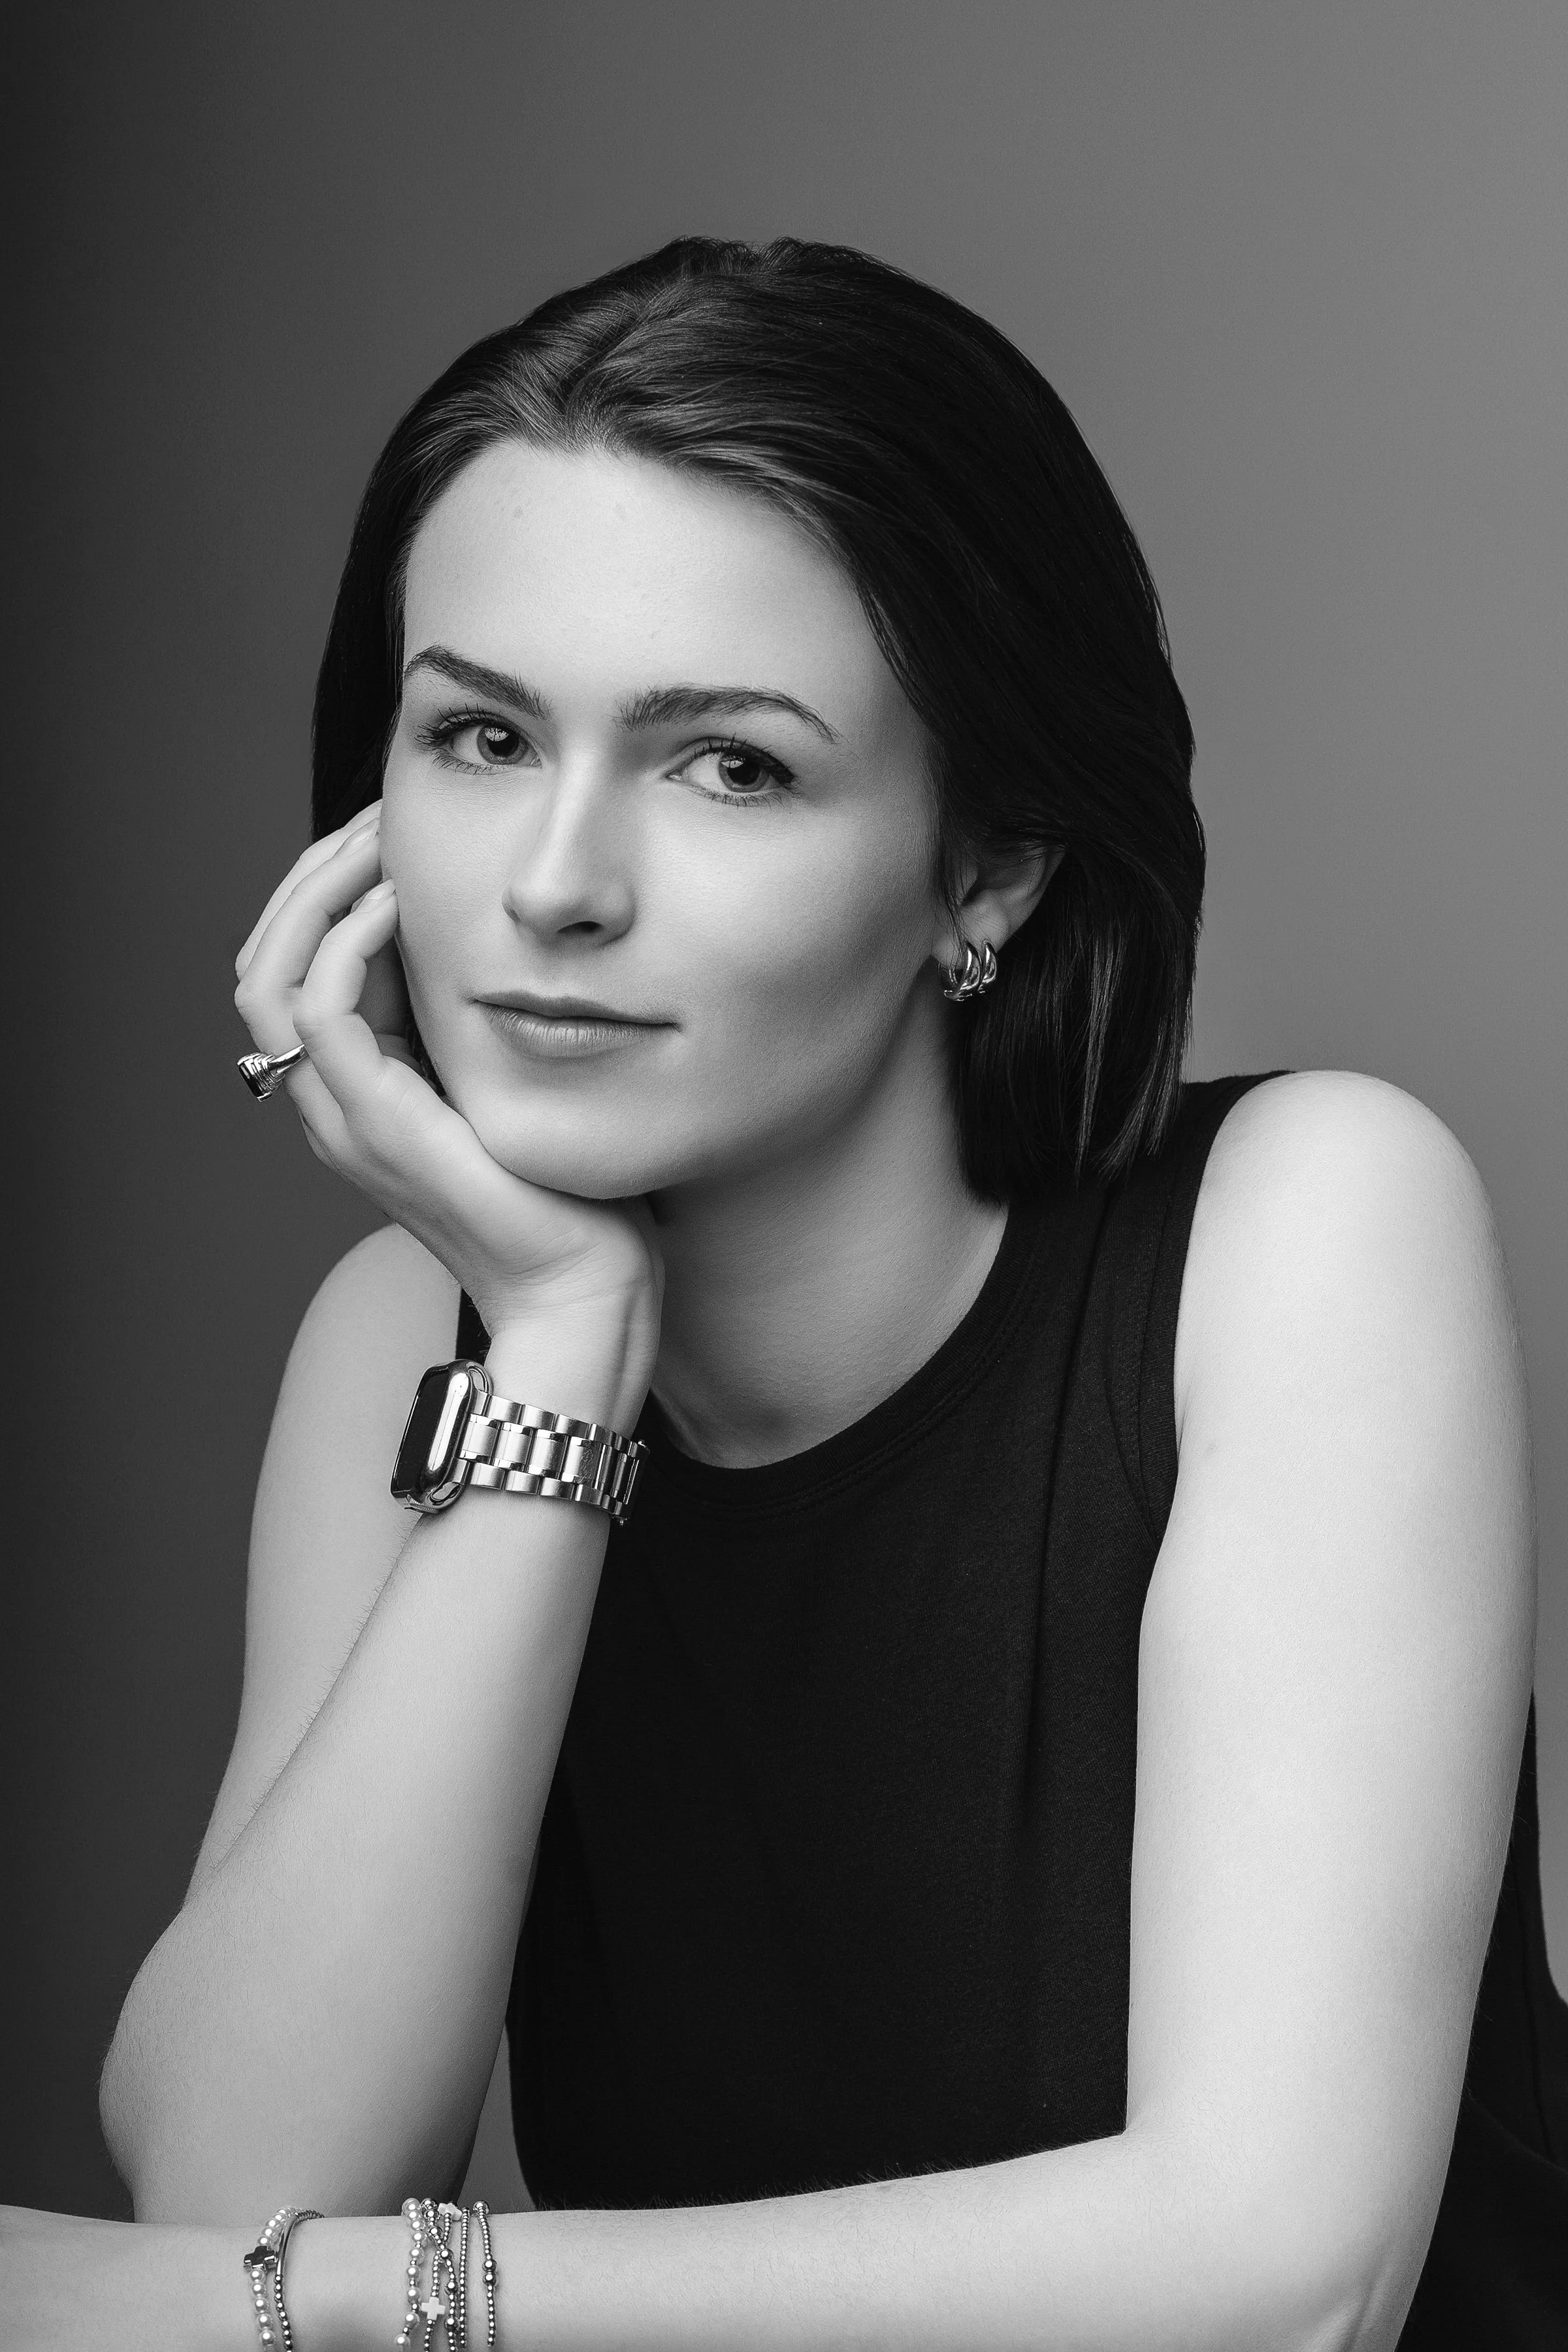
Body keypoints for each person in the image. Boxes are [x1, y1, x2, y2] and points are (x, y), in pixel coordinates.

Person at [10, 237, 1565, 2348]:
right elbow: (233, 2195)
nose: (555, 885)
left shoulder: (1305, 1228)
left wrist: (392, 2309)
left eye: (727, 764)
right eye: (476, 736)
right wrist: (560, 1346)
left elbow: (1283, 2282)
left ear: (988, 868)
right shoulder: (413, 1336)